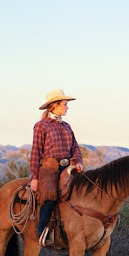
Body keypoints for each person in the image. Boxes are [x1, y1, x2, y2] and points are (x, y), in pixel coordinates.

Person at [30, 89, 84, 246]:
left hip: (68, 167)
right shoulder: (41, 126)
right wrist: (34, 177)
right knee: (49, 194)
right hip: (49, 168)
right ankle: (41, 232)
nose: (67, 107)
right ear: (55, 106)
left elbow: (75, 147)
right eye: (65, 104)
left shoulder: (67, 126)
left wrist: (78, 161)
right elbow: (35, 152)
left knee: (83, 189)